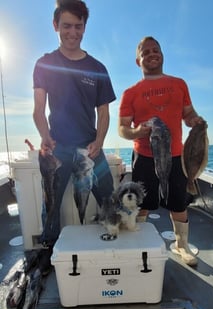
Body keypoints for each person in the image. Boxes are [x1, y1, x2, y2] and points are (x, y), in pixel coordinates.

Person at [33, 0, 116, 274]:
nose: (72, 32)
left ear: (84, 27)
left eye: (78, 26)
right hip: (58, 147)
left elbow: (103, 113)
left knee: (109, 199)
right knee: (51, 204)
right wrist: (45, 136)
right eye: (66, 26)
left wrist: (100, 141)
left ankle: (114, 242)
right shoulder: (44, 63)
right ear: (55, 25)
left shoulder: (97, 67)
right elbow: (38, 110)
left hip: (90, 147)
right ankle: (48, 246)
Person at [118, 36, 205, 266]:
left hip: (177, 155)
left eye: (155, 50)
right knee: (142, 205)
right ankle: (141, 244)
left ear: (162, 55)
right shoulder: (131, 92)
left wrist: (195, 120)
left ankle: (181, 245)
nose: (151, 54)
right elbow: (122, 129)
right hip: (145, 157)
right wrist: (137, 132)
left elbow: (188, 114)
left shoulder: (179, 84)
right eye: (145, 52)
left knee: (178, 203)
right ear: (138, 60)